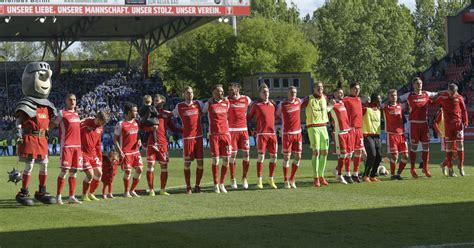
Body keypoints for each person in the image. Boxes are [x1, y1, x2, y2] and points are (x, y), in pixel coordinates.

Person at [14, 61, 57, 206]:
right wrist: (19, 134)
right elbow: (19, 121)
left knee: (44, 165)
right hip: (30, 138)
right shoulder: (25, 104)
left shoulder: (47, 105)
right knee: (30, 165)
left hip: (42, 138)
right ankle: (24, 191)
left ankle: (42, 190)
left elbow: (51, 121)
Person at [399, 77, 438, 178]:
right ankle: (412, 168)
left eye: (420, 83)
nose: (419, 85)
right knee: (414, 147)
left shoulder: (426, 94)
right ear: (413, 85)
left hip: (424, 123)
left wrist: (447, 91)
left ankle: (425, 167)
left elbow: (437, 94)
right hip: (413, 124)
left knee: (426, 147)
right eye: (417, 83)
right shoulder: (409, 95)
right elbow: (397, 99)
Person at [144, 94, 181, 196]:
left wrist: (184, 130)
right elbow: (142, 126)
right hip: (152, 143)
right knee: (150, 165)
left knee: (164, 166)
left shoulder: (166, 114)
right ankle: (151, 189)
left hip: (163, 144)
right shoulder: (150, 112)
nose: (156, 102)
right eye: (155, 100)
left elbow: (173, 128)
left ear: (163, 102)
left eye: (157, 100)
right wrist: (150, 129)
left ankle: (162, 189)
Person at [173, 86, 205, 194]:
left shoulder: (198, 104)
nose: (190, 94)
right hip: (187, 138)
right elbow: (171, 115)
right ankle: (188, 187)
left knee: (200, 163)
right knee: (187, 164)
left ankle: (197, 186)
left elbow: (207, 109)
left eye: (191, 92)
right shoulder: (179, 106)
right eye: (187, 93)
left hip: (199, 137)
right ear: (183, 94)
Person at [301, 81, 334, 187]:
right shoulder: (308, 99)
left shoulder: (324, 97)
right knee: (316, 152)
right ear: (314, 88)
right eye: (318, 87)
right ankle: (315, 177)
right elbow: (297, 106)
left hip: (323, 127)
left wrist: (331, 106)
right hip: (313, 127)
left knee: (325, 152)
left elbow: (325, 111)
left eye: (321, 87)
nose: (320, 89)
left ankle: (321, 176)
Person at [432, 84, 469, 177]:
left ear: (456, 91)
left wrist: (465, 121)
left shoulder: (459, 98)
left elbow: (464, 110)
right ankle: (450, 168)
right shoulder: (443, 97)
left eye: (453, 92)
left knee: (460, 145)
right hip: (448, 126)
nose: (452, 94)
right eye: (450, 92)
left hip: (458, 125)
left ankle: (461, 166)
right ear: (448, 90)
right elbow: (432, 103)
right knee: (449, 148)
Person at [53, 94, 83, 204]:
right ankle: (58, 196)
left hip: (77, 146)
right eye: (70, 100)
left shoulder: (77, 114)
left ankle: (71, 196)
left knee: (74, 171)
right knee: (64, 170)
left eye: (74, 99)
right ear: (66, 101)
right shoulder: (62, 113)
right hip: (67, 145)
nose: (72, 101)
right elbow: (53, 124)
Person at [247, 84, 278, 189]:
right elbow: (249, 117)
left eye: (267, 91)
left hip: (272, 134)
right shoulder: (256, 105)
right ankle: (259, 180)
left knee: (274, 157)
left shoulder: (273, 104)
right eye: (264, 92)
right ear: (260, 94)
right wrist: (252, 129)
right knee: (261, 157)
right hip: (261, 134)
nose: (266, 93)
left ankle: (271, 179)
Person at [203, 84, 232, 193]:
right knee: (215, 160)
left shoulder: (226, 102)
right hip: (214, 135)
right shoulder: (208, 104)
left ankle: (222, 183)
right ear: (213, 92)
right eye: (219, 91)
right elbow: (202, 112)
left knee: (226, 160)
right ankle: (215, 184)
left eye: (222, 91)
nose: (221, 93)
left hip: (225, 134)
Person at [114, 102, 143, 198]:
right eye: (135, 111)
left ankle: (132, 190)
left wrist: (139, 140)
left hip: (136, 151)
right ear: (129, 112)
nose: (136, 113)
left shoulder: (136, 122)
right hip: (126, 152)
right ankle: (126, 192)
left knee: (140, 169)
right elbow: (115, 140)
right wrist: (120, 152)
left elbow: (138, 135)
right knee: (128, 171)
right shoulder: (121, 124)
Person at [276, 86, 303, 189]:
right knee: (287, 157)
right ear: (287, 93)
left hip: (298, 133)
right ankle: (286, 180)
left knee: (298, 156)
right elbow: (277, 115)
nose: (293, 94)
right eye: (291, 92)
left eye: (295, 92)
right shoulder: (282, 105)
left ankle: (292, 179)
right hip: (287, 134)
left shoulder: (298, 101)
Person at [227, 83, 252, 189]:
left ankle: (244, 178)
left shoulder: (246, 99)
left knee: (246, 154)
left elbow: (254, 105)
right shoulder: (227, 100)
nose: (231, 92)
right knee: (232, 156)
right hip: (231, 131)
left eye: (233, 89)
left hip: (243, 130)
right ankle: (233, 179)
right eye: (229, 90)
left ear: (238, 89)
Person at [80, 111, 110, 201]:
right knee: (90, 174)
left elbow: (98, 144)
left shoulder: (100, 128)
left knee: (99, 173)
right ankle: (84, 194)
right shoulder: (85, 123)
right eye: (101, 121)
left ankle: (91, 193)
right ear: (97, 118)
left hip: (93, 154)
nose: (101, 124)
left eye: (103, 123)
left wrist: (100, 159)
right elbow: (74, 133)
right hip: (83, 153)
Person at [383, 89, 408, 180]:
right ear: (388, 97)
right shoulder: (385, 107)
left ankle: (398, 173)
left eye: (395, 95)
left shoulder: (400, 106)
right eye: (392, 95)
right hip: (391, 134)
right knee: (394, 156)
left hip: (401, 134)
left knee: (405, 155)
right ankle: (393, 174)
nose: (394, 97)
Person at [329, 87, 352, 184]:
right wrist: (330, 105)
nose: (340, 94)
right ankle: (339, 175)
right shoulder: (333, 104)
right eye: (338, 93)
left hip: (347, 131)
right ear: (334, 94)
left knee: (349, 154)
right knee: (342, 154)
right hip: (339, 133)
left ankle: (347, 173)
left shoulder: (342, 103)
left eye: (342, 93)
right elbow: (326, 111)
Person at [342, 82, 365, 183]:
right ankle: (347, 174)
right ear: (350, 89)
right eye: (355, 88)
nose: (357, 90)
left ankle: (355, 173)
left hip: (359, 129)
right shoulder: (346, 100)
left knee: (358, 151)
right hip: (350, 129)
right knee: (349, 153)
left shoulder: (359, 99)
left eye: (358, 89)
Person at [362, 93, 382, 182]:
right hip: (367, 135)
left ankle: (373, 175)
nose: (380, 101)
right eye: (378, 100)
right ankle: (365, 175)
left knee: (379, 156)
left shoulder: (379, 110)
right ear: (373, 100)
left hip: (377, 136)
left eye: (380, 100)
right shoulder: (366, 109)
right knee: (372, 155)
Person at [433, 107, 457, 176]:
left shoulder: (454, 108)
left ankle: (443, 164)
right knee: (449, 153)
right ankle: (451, 171)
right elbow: (435, 123)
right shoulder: (441, 111)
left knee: (456, 154)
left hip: (453, 134)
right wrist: (438, 131)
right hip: (445, 135)